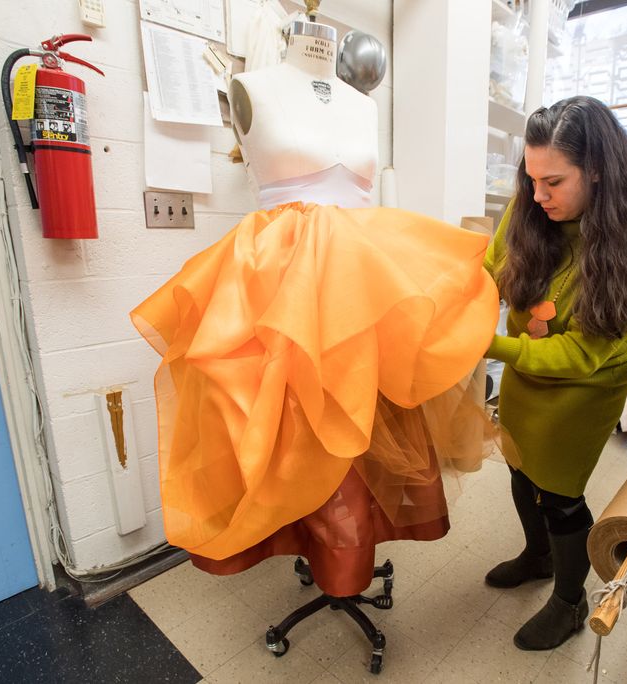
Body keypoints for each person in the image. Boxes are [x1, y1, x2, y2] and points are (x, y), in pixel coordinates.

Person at [131, 18, 499, 598]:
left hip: (357, 284)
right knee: (291, 428)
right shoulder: (252, 87)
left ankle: (347, 555)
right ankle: (311, 542)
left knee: (360, 427)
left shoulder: (363, 104)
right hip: (277, 281)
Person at [483, 96, 627, 650]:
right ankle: (539, 556)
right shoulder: (532, 208)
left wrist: (489, 343)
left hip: (580, 391)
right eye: (530, 180)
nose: (538, 195)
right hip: (530, 375)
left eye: (554, 181)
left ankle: (569, 602)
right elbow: (489, 268)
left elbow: (577, 356)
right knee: (522, 470)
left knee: (560, 491)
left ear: (597, 171)